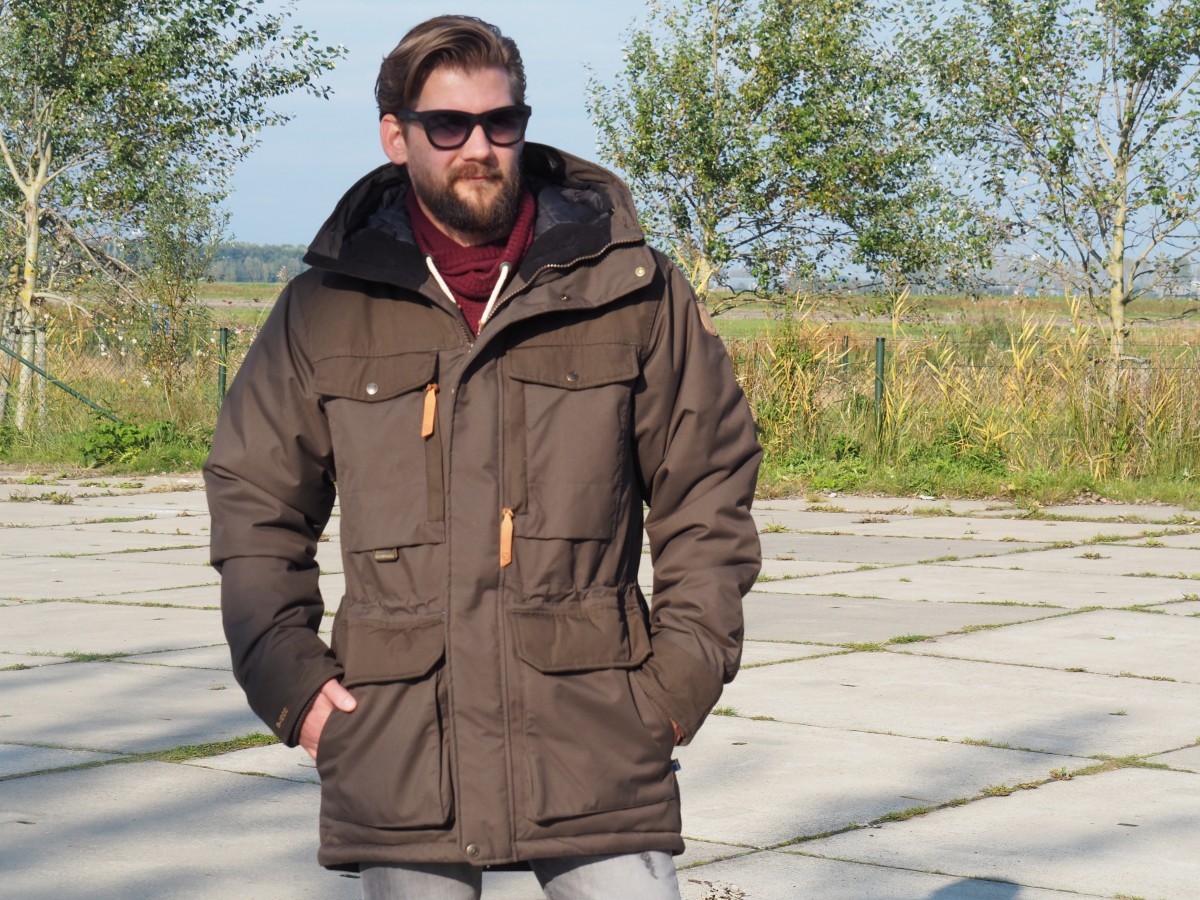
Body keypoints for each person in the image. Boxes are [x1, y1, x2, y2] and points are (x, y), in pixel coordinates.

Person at [204, 14, 760, 900]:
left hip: (597, 736)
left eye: (501, 123)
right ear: (396, 136)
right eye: (448, 125)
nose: (479, 148)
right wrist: (291, 683)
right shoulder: (326, 306)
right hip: (398, 744)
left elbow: (708, 488)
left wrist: (678, 683)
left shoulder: (630, 288)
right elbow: (254, 504)